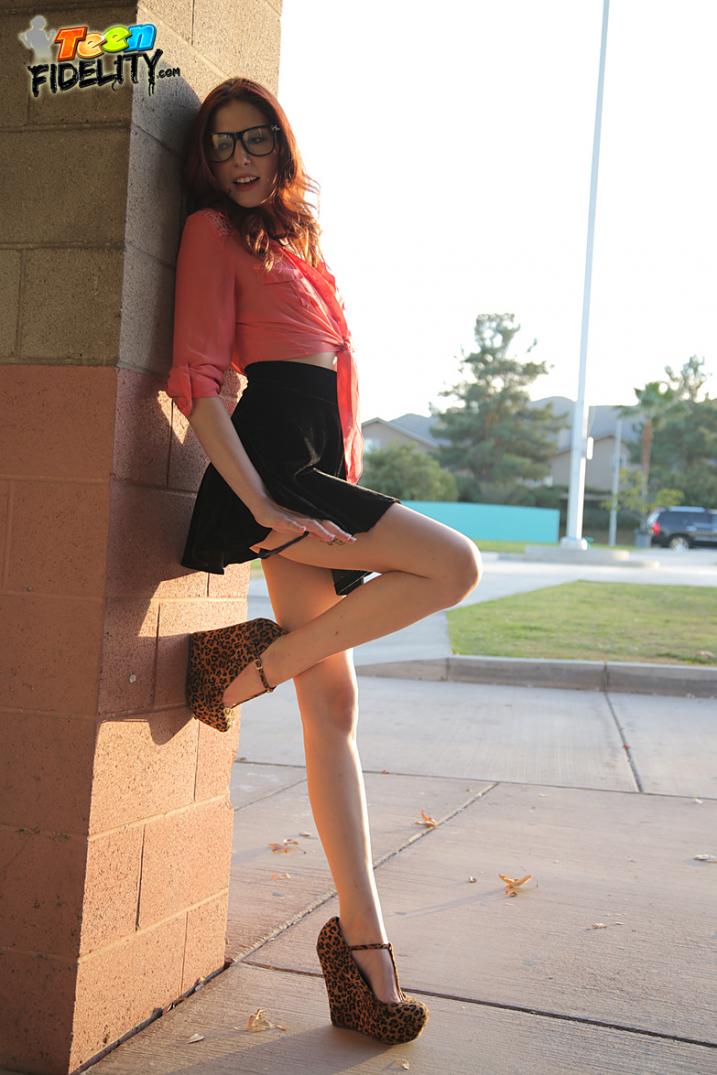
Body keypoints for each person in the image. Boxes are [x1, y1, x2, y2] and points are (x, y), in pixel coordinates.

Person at [165, 76, 482, 1044]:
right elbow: (198, 380)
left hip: (318, 467)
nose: (241, 158)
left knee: (334, 709)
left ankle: (362, 953)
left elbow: (332, 378)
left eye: (255, 137)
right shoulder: (211, 232)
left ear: (282, 143)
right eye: (223, 144)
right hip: (276, 467)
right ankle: (243, 670)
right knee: (454, 565)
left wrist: (341, 475)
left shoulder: (298, 241)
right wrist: (263, 501)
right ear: (207, 161)